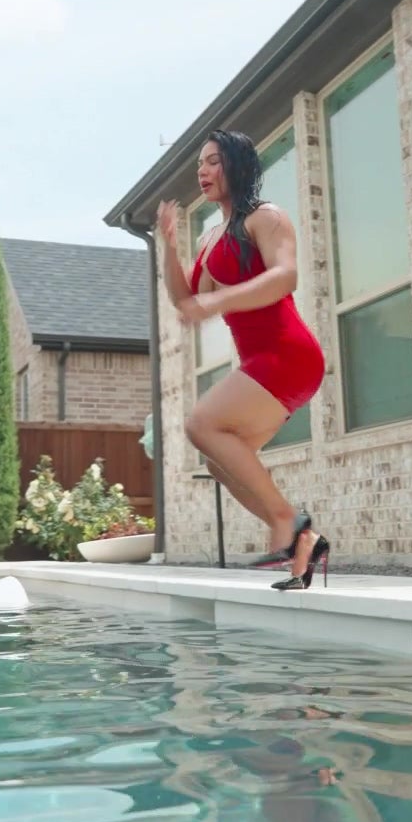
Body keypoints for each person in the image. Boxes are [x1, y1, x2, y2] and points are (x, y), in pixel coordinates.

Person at [158, 129, 331, 590]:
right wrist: (168, 247)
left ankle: (286, 520)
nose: (202, 170)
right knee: (221, 460)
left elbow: (286, 276)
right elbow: (186, 300)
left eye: (213, 161)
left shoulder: (265, 217)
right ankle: (303, 546)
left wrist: (215, 304)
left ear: (236, 165)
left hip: (288, 353)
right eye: (200, 163)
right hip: (263, 362)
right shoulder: (212, 237)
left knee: (201, 424)